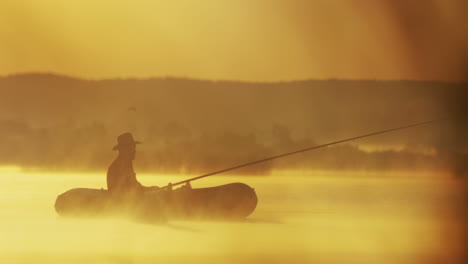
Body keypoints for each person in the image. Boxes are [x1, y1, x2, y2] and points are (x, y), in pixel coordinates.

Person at [107, 132, 152, 200]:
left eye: (134, 147)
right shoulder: (120, 165)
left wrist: (150, 189)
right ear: (122, 150)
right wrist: (149, 190)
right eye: (131, 148)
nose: (134, 151)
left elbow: (134, 186)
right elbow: (131, 188)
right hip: (121, 201)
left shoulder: (126, 163)